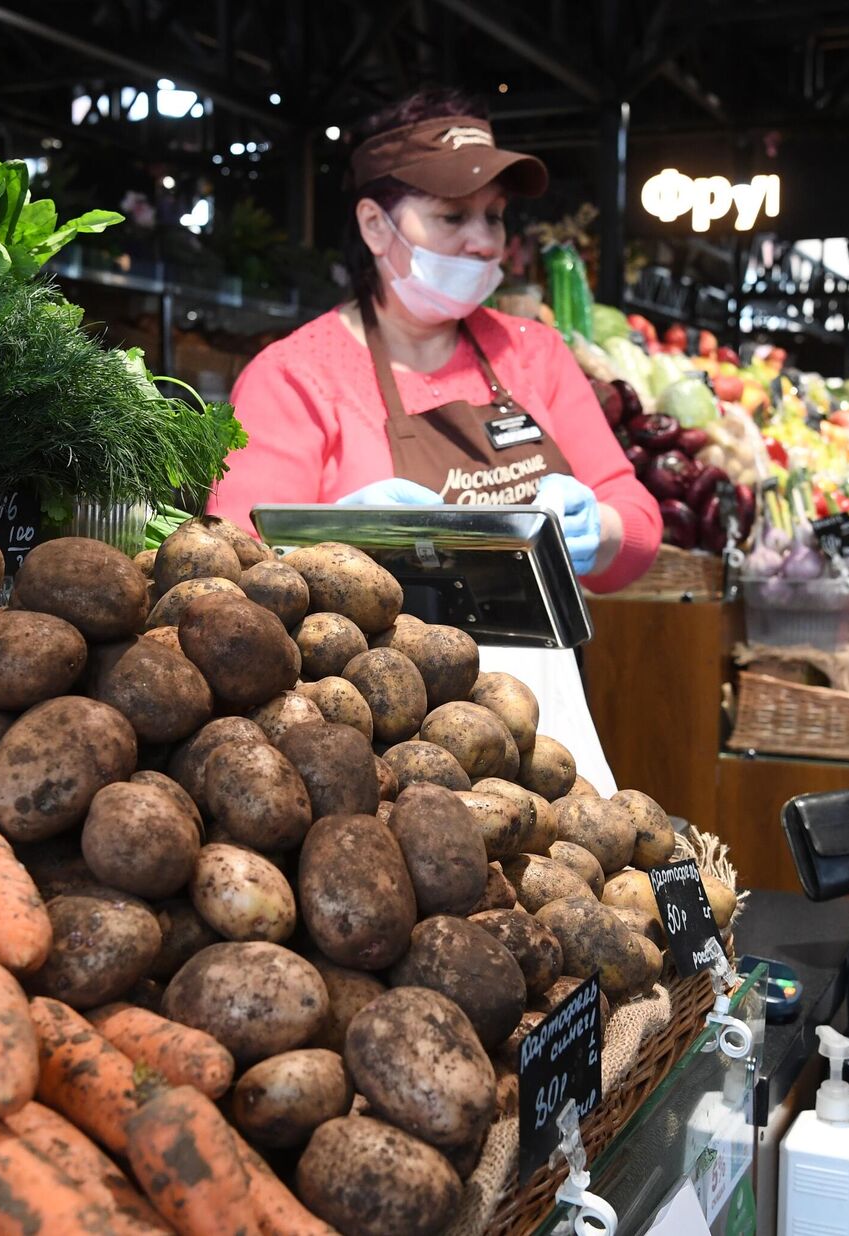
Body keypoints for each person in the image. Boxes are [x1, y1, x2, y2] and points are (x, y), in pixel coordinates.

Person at [208, 88, 661, 789]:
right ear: (375, 224)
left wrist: (597, 529)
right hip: (368, 754)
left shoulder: (532, 354)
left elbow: (636, 524)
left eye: (495, 216)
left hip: (547, 744)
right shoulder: (294, 376)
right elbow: (229, 575)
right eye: (453, 215)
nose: (484, 240)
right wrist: (322, 544)